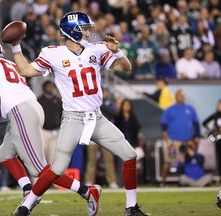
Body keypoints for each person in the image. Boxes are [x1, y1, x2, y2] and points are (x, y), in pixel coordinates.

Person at [9, 11, 147, 216]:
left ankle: (131, 208)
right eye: (84, 29)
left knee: (130, 155)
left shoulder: (98, 49)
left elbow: (125, 68)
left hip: (97, 117)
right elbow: (26, 71)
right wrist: (15, 46)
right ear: (72, 31)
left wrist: (118, 52)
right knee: (57, 169)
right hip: (73, 118)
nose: (89, 32)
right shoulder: (52, 53)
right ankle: (25, 206)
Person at [0, 39, 100, 216]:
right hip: (29, 107)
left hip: (21, 111)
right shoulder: (8, 63)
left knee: (40, 169)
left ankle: (86, 190)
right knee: (4, 155)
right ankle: (28, 189)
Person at [160, 89, 201, 187]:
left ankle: (190, 181)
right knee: (168, 161)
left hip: (188, 141)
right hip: (174, 141)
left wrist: (197, 137)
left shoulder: (190, 109)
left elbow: (196, 124)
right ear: (175, 97)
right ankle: (163, 182)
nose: (181, 97)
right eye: (179, 95)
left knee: (191, 160)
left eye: (183, 95)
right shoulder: (170, 110)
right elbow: (164, 126)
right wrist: (167, 140)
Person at [37, 80, 62, 164]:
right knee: (41, 157)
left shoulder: (57, 100)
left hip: (55, 132)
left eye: (51, 86)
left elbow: (62, 115)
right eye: (48, 86)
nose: (50, 88)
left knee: (53, 158)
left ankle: (52, 177)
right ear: (44, 88)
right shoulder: (39, 101)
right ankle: (39, 177)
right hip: (43, 131)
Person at [202, 100, 221, 179]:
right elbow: (204, 122)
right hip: (219, 139)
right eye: (219, 105)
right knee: (220, 158)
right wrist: (211, 130)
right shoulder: (215, 116)